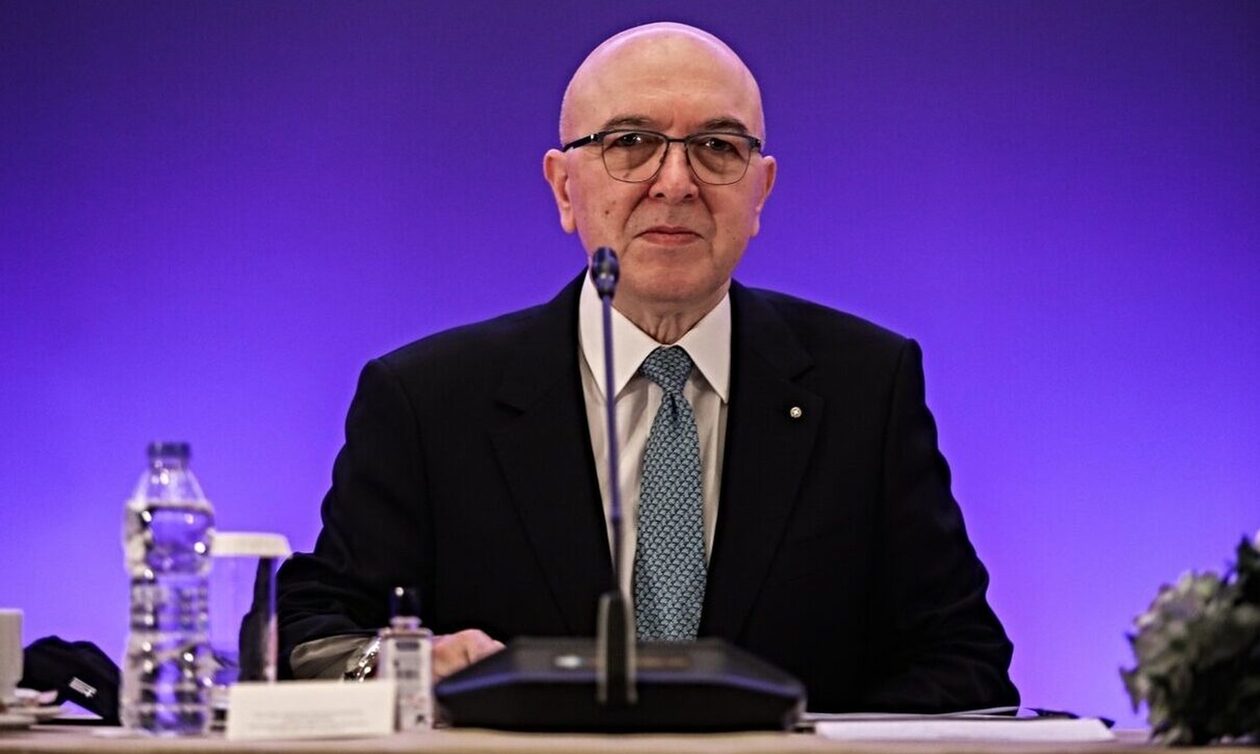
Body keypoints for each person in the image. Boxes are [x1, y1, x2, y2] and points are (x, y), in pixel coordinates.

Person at [276, 22, 1018, 712]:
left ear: (760, 191)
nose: (675, 182)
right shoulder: (427, 400)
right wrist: (402, 665)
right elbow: (309, 636)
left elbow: (964, 660)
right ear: (564, 187)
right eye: (631, 142)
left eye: (717, 147)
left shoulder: (866, 386)